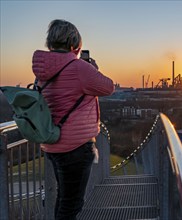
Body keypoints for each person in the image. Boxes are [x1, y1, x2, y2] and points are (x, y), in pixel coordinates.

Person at [32, 19, 114, 219]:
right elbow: (108, 87)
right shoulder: (79, 68)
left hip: (53, 143)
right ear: (74, 44)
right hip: (75, 147)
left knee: (65, 198)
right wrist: (93, 68)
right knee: (72, 204)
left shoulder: (42, 71)